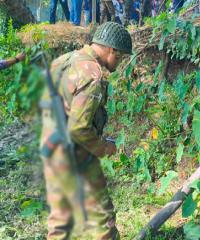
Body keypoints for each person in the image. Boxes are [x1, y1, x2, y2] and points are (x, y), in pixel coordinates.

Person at [39, 22, 132, 239]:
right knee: (102, 216)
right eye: (120, 57)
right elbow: (79, 129)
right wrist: (104, 148)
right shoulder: (92, 75)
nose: (120, 61)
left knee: (61, 218)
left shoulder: (66, 59)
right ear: (112, 50)